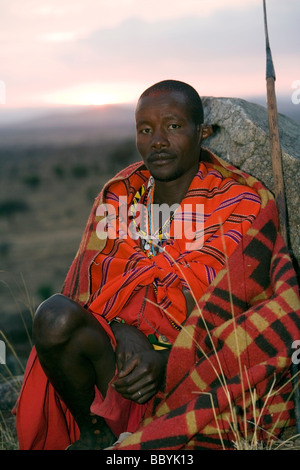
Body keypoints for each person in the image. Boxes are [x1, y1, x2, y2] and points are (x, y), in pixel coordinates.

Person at [15, 80, 300, 451]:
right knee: (53, 316)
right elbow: (92, 288)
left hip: (197, 372)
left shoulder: (240, 202)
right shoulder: (121, 195)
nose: (158, 140)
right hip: (119, 367)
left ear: (203, 133)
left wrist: (165, 360)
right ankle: (95, 437)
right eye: (146, 129)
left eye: (174, 126)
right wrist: (120, 328)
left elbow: (240, 309)